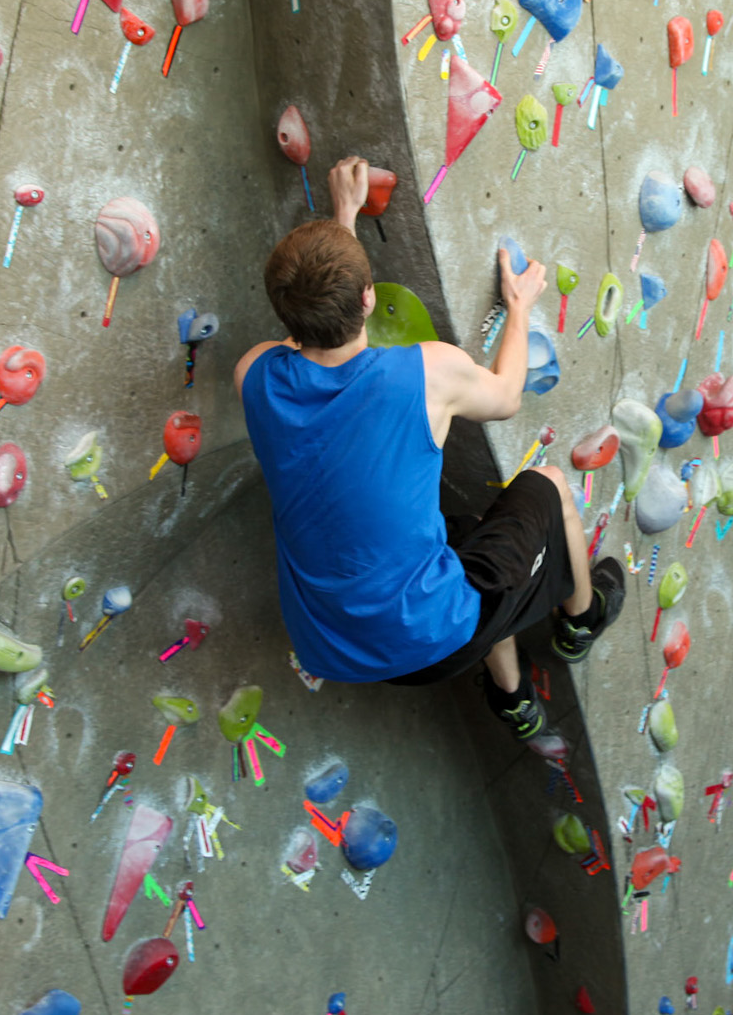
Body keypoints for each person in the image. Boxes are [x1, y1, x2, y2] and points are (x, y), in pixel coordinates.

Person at [235, 157, 625, 746]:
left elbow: (303, 334)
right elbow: (506, 395)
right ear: (369, 299)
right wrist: (518, 310)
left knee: (468, 537)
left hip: (330, 645)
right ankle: (582, 617)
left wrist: (343, 220)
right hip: (430, 635)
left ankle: (514, 699)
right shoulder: (425, 372)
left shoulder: (253, 375)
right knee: (548, 486)